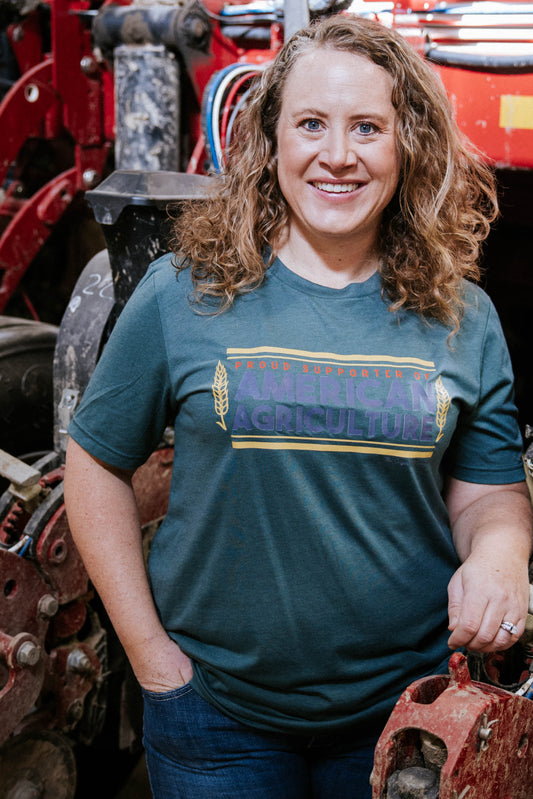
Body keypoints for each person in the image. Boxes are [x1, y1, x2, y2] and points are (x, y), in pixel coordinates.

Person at [63, 13, 533, 799]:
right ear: (270, 142)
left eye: (367, 127)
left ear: (405, 143)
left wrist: (498, 555)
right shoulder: (184, 293)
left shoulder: (462, 315)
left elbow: (487, 491)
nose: (337, 155)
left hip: (404, 714)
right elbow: (95, 461)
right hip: (213, 714)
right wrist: (152, 658)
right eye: (310, 123)